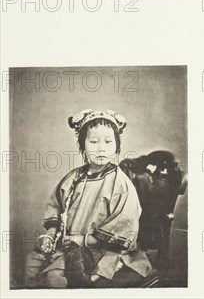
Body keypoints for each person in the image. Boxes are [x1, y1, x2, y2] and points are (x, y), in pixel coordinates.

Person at [24, 109, 153, 288]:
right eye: (93, 142)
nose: (101, 148)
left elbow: (124, 227)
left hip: (103, 248)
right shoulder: (73, 177)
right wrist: (51, 234)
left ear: (116, 146)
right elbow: (56, 206)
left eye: (108, 142)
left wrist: (83, 240)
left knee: (56, 275)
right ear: (82, 146)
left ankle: (60, 279)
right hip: (68, 244)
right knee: (33, 261)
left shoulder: (120, 183)